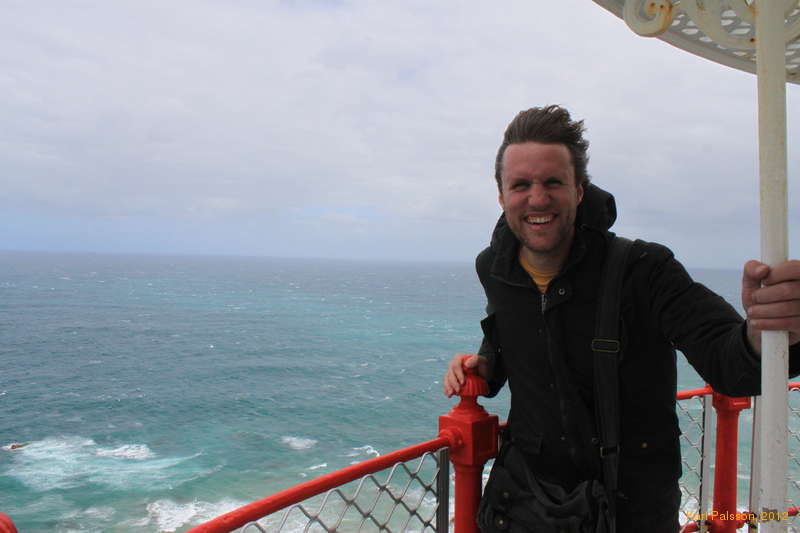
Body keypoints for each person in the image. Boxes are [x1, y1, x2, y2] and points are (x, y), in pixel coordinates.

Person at [442, 105, 800, 533]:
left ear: (579, 190)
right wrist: (485, 362)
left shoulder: (643, 269)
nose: (537, 198)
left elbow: (728, 363)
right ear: (502, 195)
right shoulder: (496, 269)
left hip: (628, 510)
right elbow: (510, 328)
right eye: (521, 185)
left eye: (553, 182)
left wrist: (763, 333)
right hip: (525, 502)